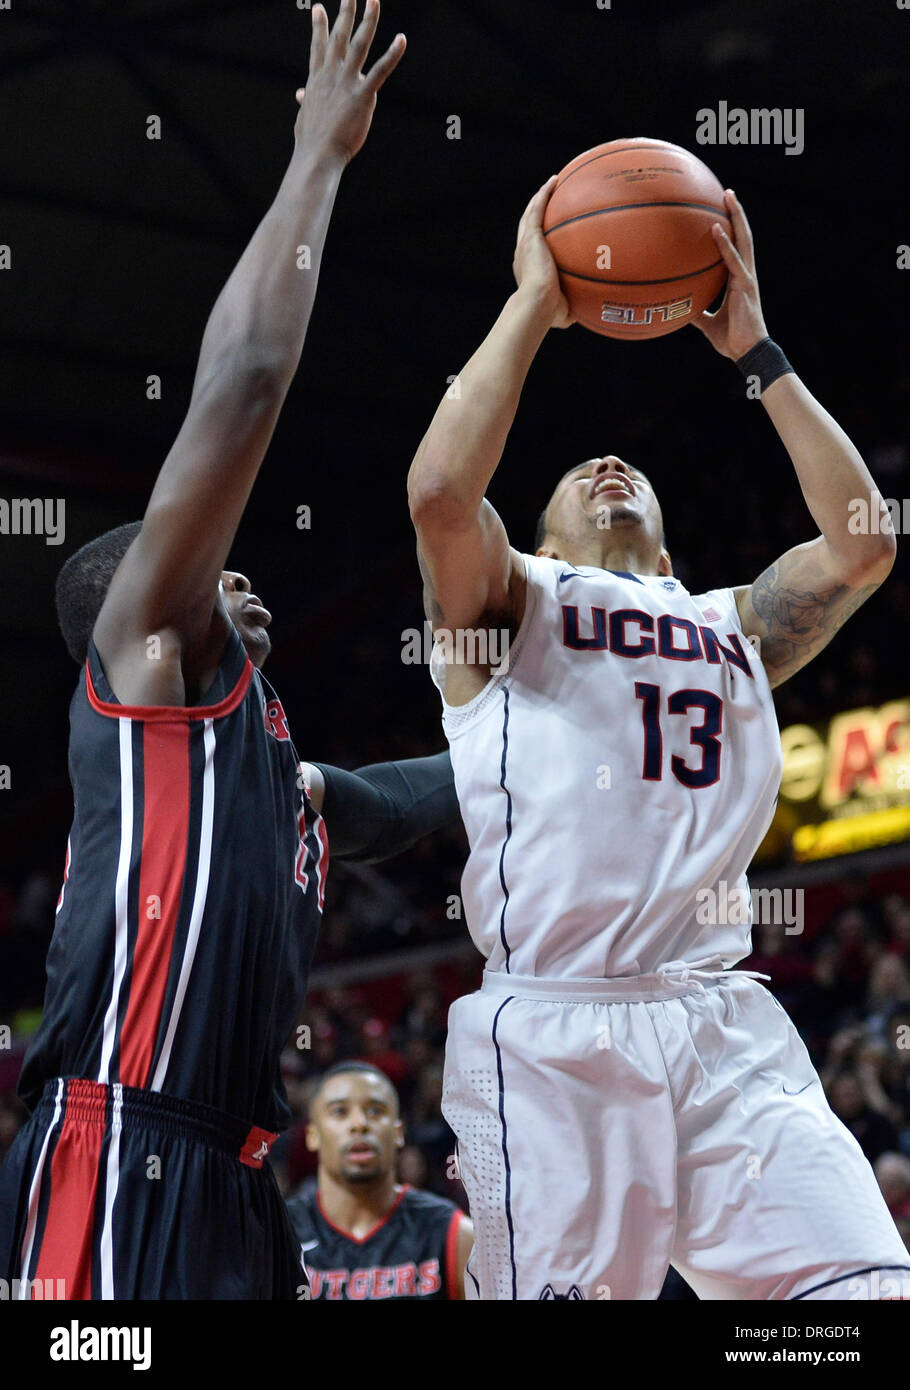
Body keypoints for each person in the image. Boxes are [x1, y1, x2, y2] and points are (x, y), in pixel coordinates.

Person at [0, 1, 457, 1301]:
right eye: (209, 569)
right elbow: (244, 384)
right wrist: (317, 156)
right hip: (117, 1140)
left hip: (235, 1184)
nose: (235, 575)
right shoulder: (146, 662)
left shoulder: (274, 777)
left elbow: (435, 785)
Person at [406, 177, 909, 1300]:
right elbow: (441, 491)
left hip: (719, 1016)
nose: (607, 468)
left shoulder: (730, 621)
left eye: (626, 470)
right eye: (576, 479)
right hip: (555, 1032)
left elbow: (865, 541)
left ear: (672, 546)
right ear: (539, 536)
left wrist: (758, 352)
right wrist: (535, 303)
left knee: (863, 1297)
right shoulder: (509, 606)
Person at [286, 1062, 472, 1299]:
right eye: (339, 1111)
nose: (359, 1124)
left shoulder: (453, 1234)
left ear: (398, 1132)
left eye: (375, 1111)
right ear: (312, 1136)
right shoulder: (282, 1234)